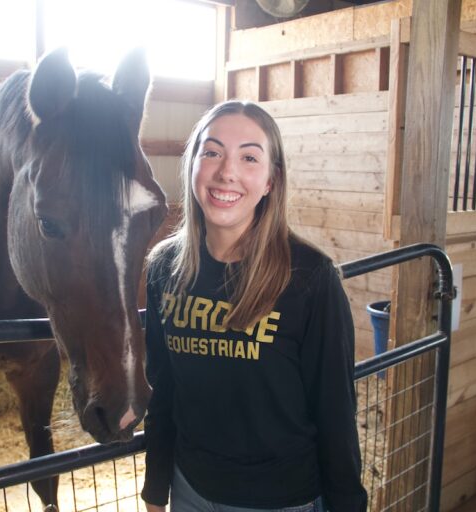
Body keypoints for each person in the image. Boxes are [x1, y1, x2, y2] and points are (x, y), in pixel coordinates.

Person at [141, 100, 368, 512]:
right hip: (189, 491)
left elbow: (336, 413)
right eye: (211, 152)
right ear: (192, 165)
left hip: (281, 500)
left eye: (249, 157)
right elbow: (163, 392)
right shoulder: (162, 268)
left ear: (269, 181)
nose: (226, 171)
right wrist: (156, 491)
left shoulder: (311, 278)